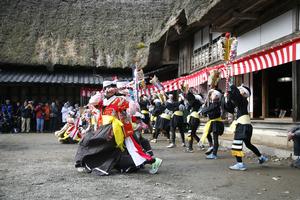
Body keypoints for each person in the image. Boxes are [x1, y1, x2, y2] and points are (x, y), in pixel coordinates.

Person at [75, 81, 162, 176]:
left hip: (115, 130)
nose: (109, 90)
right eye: (106, 88)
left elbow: (132, 111)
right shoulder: (102, 100)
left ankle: (152, 160)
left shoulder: (120, 100)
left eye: (111, 87)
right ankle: (86, 162)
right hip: (103, 128)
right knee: (111, 152)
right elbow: (92, 102)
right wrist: (102, 93)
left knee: (101, 146)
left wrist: (129, 97)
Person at [223, 84, 268, 170]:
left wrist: (231, 87)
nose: (238, 91)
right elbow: (230, 109)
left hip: (242, 125)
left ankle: (240, 164)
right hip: (245, 125)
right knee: (248, 144)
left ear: (243, 93)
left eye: (240, 90)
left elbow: (235, 95)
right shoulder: (240, 101)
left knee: (236, 144)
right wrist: (226, 98)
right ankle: (261, 157)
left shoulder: (243, 100)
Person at [200, 89, 224, 159]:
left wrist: (203, 110)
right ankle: (211, 146)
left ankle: (214, 154)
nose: (211, 96)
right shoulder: (213, 103)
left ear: (217, 96)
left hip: (216, 123)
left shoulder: (216, 104)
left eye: (213, 94)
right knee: (207, 133)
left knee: (215, 139)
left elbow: (207, 110)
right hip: (213, 123)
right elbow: (207, 110)